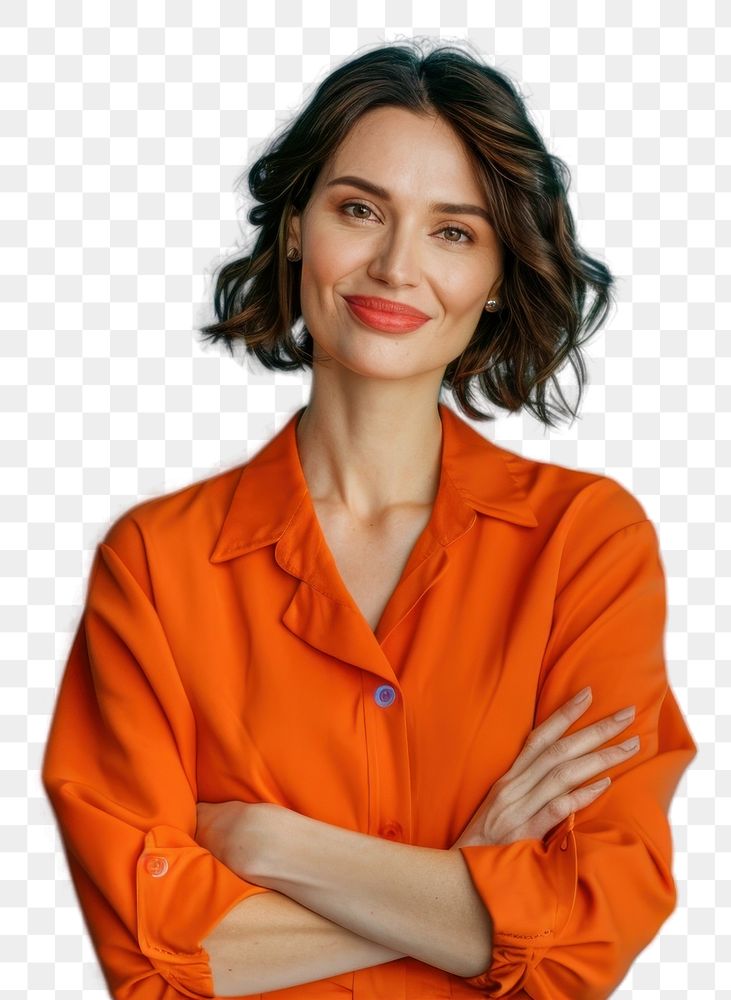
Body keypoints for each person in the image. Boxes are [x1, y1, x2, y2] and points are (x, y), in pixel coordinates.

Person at [42, 38, 697, 1000]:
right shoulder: (156, 561)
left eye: (453, 232)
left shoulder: (585, 543)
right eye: (360, 210)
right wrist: (471, 872)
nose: (395, 266)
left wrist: (274, 846)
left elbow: (588, 930)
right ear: (298, 227)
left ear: (498, 274)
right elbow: (156, 964)